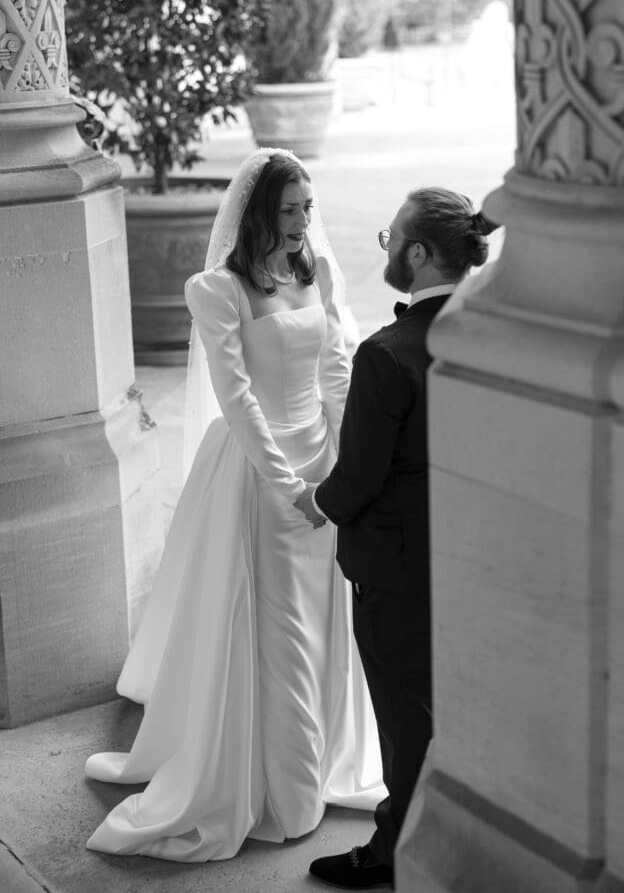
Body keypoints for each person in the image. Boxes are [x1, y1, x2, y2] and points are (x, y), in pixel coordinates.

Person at [84, 149, 384, 862]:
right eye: (289, 210)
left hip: (322, 462)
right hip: (261, 473)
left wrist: (342, 471)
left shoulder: (317, 268)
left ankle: (329, 756)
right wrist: (290, 489)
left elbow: (336, 363)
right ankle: (285, 787)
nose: (303, 222)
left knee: (326, 622)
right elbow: (238, 398)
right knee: (278, 629)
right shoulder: (215, 289)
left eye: (308, 207)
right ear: (256, 215)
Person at [301, 187, 497, 889]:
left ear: (417, 252)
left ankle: (396, 853)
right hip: (480, 557)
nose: (384, 247)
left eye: (390, 238)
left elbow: (357, 477)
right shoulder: (500, 332)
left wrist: (316, 502)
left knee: (407, 719)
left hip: (398, 569)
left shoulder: (386, 355)